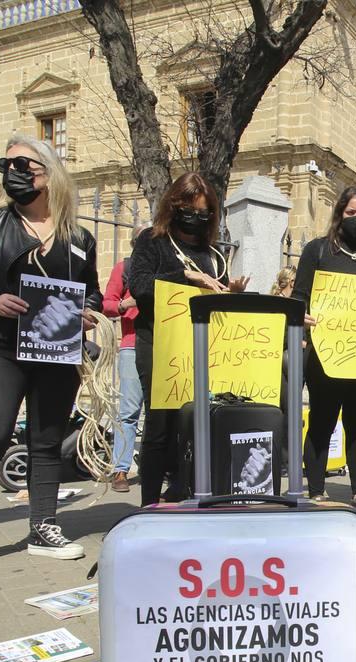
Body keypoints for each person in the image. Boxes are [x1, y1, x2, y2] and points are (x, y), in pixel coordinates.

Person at [0, 134, 102, 578]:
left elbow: (93, 292)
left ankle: (44, 526)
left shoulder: (79, 237)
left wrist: (89, 313)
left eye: (24, 165)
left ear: (48, 176)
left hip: (55, 350)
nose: (12, 172)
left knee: (47, 441)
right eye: (5, 164)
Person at [127, 173, 248, 507]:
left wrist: (231, 293)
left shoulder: (212, 252)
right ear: (174, 206)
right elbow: (139, 287)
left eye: (204, 212)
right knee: (160, 426)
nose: (196, 218)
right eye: (190, 210)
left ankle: (181, 491)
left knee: (196, 424)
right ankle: (149, 502)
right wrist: (183, 276)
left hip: (201, 351)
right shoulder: (152, 241)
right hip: (160, 346)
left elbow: (216, 301)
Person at [293, 186, 356, 502]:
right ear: (339, 214)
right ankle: (317, 490)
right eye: (351, 213)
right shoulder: (317, 251)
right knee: (322, 420)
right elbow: (298, 299)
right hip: (325, 356)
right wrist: (302, 318)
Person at [102, 251, 142, 492]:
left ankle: (156, 467)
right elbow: (106, 304)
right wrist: (123, 304)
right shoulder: (125, 268)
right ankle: (120, 470)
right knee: (129, 412)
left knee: (162, 414)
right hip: (133, 347)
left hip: (167, 347)